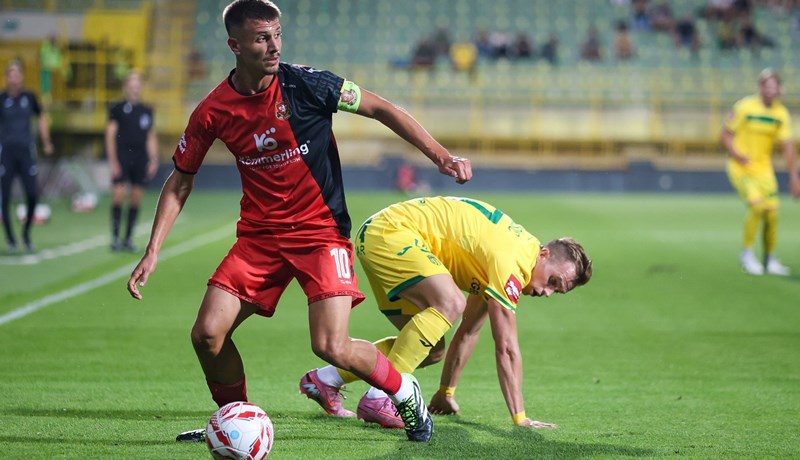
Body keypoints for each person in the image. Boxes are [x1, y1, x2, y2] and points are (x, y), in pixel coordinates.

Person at [125, 0, 472, 444]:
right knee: (207, 335)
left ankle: (405, 393)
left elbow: (382, 108)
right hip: (259, 239)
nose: (274, 46)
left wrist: (441, 156)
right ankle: (234, 421)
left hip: (320, 233)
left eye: (277, 35)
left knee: (331, 346)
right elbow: (179, 182)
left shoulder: (308, 84)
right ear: (234, 45)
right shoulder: (213, 110)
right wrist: (153, 250)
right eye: (261, 38)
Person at [301, 196, 592, 429]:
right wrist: (521, 418)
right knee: (452, 302)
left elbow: (469, 332)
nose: (547, 292)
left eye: (557, 291)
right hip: (393, 234)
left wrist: (445, 392)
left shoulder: (504, 262)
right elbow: (506, 348)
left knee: (430, 349)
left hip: (381, 236)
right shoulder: (514, 261)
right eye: (552, 281)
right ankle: (381, 396)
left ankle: (327, 380)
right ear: (544, 254)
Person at [721, 68, 800, 276]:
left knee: (772, 213)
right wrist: (737, 155)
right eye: (768, 85)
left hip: (764, 170)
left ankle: (770, 259)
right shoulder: (745, 107)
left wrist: (794, 177)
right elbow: (726, 134)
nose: (771, 89)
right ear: (761, 87)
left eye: (775, 85)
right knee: (757, 207)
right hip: (741, 167)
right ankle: (746, 254)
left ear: (779, 89)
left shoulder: (780, 114)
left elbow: (788, 147)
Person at [0, 60, 54, 253]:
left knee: (32, 194)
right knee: (4, 198)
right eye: (11, 74)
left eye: (17, 74)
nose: (14, 78)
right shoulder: (1, 98)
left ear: (21, 77)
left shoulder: (29, 97)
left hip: (26, 153)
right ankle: (11, 239)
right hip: (5, 154)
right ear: (6, 77)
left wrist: (45, 140)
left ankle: (26, 233)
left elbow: (40, 117)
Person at [105, 70, 158, 252]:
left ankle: (127, 238)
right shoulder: (117, 109)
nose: (135, 87)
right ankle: (115, 238)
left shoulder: (146, 110)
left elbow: (150, 136)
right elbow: (110, 135)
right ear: (126, 87)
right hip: (122, 156)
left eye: (138, 83)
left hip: (140, 157)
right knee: (119, 195)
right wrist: (113, 161)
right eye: (131, 83)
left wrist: (153, 159)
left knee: (136, 198)